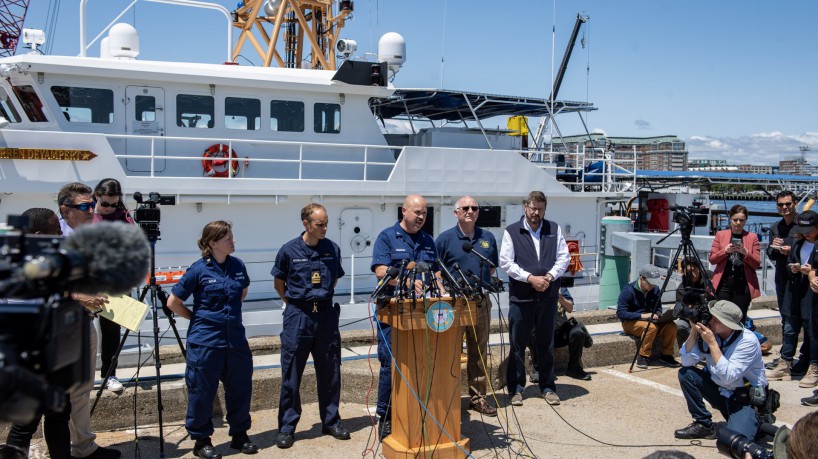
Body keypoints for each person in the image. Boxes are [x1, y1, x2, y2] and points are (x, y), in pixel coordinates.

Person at [167, 221, 257, 459]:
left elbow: (242, 291)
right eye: (228, 237)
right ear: (213, 242)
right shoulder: (199, 269)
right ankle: (201, 441)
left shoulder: (237, 265)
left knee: (240, 389)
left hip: (235, 341)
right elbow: (173, 302)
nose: (233, 241)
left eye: (232, 236)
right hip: (206, 343)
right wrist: (196, 318)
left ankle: (239, 435)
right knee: (201, 392)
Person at [271, 204, 349, 448]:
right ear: (306, 223)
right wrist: (297, 306)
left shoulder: (332, 249)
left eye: (326, 223)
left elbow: (334, 278)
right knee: (291, 374)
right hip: (298, 316)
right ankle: (287, 426)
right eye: (320, 224)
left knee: (330, 371)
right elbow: (278, 284)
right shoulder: (288, 250)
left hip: (325, 315)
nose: (325, 228)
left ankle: (331, 420)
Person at [56, 184, 121, 459]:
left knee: (83, 387)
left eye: (90, 204)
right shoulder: (52, 234)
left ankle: (84, 446)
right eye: (83, 206)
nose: (90, 210)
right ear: (65, 209)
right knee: (63, 393)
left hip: (85, 319)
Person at [371, 194, 440, 440]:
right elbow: (381, 270)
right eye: (416, 212)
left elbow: (437, 273)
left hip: (423, 313)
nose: (421, 217)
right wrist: (406, 279)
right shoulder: (387, 237)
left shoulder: (429, 241)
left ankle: (419, 410)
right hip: (392, 312)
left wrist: (441, 288)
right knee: (391, 365)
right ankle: (386, 416)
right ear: (404, 211)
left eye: (424, 213)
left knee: (423, 361)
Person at [499, 191, 569, 406]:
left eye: (540, 209)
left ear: (544, 209)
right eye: (532, 208)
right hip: (522, 298)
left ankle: (548, 387)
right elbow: (506, 262)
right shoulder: (512, 231)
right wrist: (530, 278)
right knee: (517, 344)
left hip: (547, 297)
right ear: (525, 207)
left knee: (545, 343)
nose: (535, 212)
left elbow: (564, 257)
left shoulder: (554, 229)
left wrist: (548, 277)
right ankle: (516, 389)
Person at [435, 196, 499, 416]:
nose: (470, 211)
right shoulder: (444, 239)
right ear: (456, 213)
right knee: (450, 352)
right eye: (465, 208)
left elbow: (491, 268)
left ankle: (478, 398)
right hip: (454, 303)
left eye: (474, 208)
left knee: (478, 352)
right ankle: (448, 397)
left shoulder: (488, 238)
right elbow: (437, 271)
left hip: (480, 302)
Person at [674, 300, 768, 441]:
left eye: (715, 319)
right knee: (686, 374)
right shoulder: (712, 333)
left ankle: (758, 421)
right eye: (711, 316)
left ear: (728, 324)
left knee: (735, 441)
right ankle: (703, 424)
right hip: (721, 392)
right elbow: (686, 361)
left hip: (743, 399)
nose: (710, 320)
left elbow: (728, 377)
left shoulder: (747, 341)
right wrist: (694, 330)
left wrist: (712, 343)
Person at [92, 178, 135, 394]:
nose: (109, 208)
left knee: (111, 331)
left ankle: (109, 374)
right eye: (105, 204)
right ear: (96, 196)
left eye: (114, 204)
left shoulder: (125, 218)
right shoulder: (86, 214)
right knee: (80, 328)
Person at [617, 264, 680, 369]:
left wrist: (659, 314)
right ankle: (643, 356)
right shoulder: (628, 291)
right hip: (630, 322)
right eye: (650, 283)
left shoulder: (655, 289)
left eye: (654, 283)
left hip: (651, 320)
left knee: (671, 326)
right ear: (642, 278)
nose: (653, 286)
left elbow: (658, 307)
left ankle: (666, 355)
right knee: (650, 328)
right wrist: (642, 315)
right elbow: (621, 313)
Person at [529, 286, 593, 381]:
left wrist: (558, 296)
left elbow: (570, 308)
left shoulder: (560, 287)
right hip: (542, 332)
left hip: (559, 332)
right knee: (536, 333)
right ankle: (538, 370)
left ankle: (574, 368)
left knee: (577, 333)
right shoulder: (534, 287)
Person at [708, 205, 761, 318]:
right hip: (724, 284)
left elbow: (756, 263)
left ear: (746, 220)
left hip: (743, 286)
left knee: (739, 318)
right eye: (735, 220)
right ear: (730, 219)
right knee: (721, 318)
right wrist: (725, 251)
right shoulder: (720, 235)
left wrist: (746, 253)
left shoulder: (752, 237)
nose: (738, 223)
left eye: (741, 220)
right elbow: (712, 260)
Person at [793, 210, 818, 388]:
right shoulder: (800, 242)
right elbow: (814, 269)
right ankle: (811, 363)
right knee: (811, 329)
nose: (806, 232)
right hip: (805, 291)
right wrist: (811, 276)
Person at [674, 258, 714, 348]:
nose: (692, 274)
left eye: (694, 270)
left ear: (699, 269)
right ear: (683, 272)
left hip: (710, 316)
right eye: (688, 271)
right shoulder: (681, 288)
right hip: (691, 321)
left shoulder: (709, 278)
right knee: (678, 325)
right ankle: (687, 351)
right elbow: (681, 312)